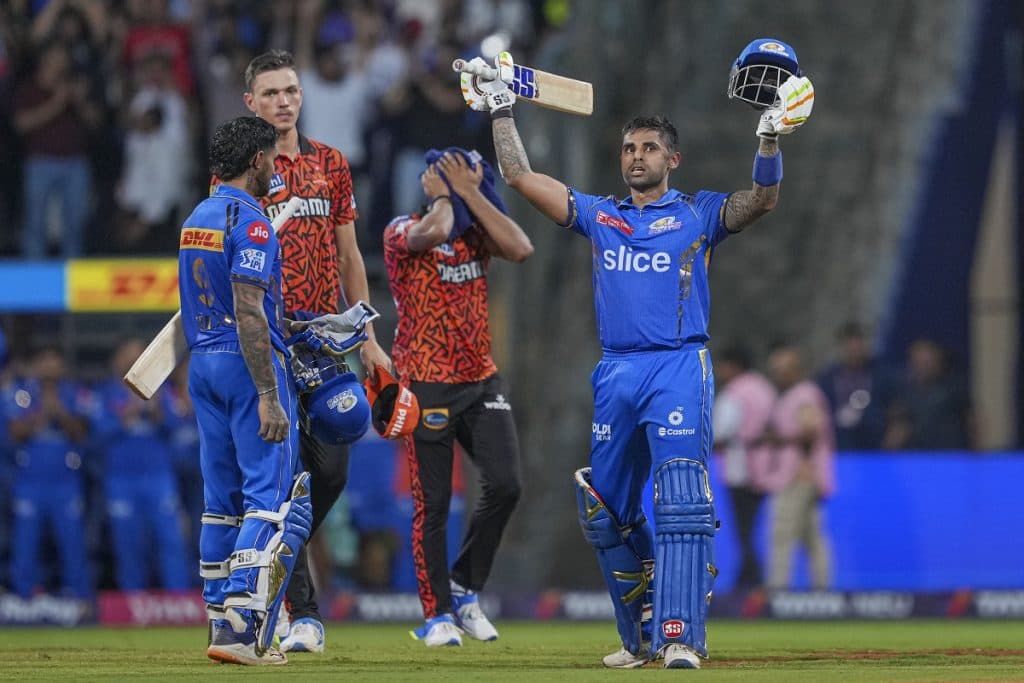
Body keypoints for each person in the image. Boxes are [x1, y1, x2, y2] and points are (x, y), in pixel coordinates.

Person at [460, 43, 814, 669]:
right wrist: (501, 110)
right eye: (629, 148)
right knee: (604, 512)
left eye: (649, 148)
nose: (636, 157)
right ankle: (640, 638)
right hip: (616, 370)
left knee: (680, 500)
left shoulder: (699, 214)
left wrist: (768, 140)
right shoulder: (601, 217)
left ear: (672, 159)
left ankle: (681, 635)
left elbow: (761, 200)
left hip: (677, 366)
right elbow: (520, 178)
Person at [223, 50, 391, 654]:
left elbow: (349, 255)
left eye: (291, 90)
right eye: (270, 93)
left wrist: (368, 337)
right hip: (269, 340)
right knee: (283, 473)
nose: (283, 102)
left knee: (333, 469)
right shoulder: (238, 173)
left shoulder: (331, 164)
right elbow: (225, 257)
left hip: (324, 340)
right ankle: (302, 613)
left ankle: (265, 559)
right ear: (251, 103)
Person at [383, 149, 532, 647]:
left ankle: (466, 588)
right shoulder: (402, 229)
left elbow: (521, 247)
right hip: (425, 382)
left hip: (480, 380)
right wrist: (445, 195)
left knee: (507, 485)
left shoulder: (475, 235)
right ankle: (437, 614)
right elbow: (434, 232)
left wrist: (469, 192)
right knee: (434, 504)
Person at [181, 115, 312, 666]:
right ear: (257, 160)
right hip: (244, 364)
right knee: (272, 498)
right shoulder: (253, 223)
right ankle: (242, 628)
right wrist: (268, 393)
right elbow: (249, 310)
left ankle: (218, 618)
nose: (276, 167)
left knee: (220, 504)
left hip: (203, 365)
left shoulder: (196, 217)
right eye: (273, 158)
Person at [94, 339, 189, 590]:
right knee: (128, 542)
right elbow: (98, 433)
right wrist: (127, 414)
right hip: (121, 478)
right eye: (128, 356)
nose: (134, 361)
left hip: (158, 477)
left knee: (170, 540)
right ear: (117, 361)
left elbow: (176, 426)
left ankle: (177, 599)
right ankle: (132, 599)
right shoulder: (106, 392)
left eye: (138, 356)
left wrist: (157, 411)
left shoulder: (161, 390)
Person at [5, 347, 94, 599]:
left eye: (55, 361)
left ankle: (79, 598)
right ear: (37, 365)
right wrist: (42, 415)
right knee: (25, 544)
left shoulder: (74, 393)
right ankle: (22, 599)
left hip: (65, 482)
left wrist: (61, 414)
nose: (49, 366)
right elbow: (14, 432)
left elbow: (81, 432)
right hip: (30, 482)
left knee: (72, 544)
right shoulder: (22, 393)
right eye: (45, 361)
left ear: (62, 366)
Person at [762, 343, 836, 591]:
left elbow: (810, 432)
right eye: (775, 370)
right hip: (803, 475)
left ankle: (777, 589)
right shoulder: (795, 394)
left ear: (795, 370)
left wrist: (778, 439)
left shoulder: (804, 394)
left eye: (781, 370)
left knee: (782, 533)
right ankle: (823, 590)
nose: (777, 375)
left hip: (797, 474)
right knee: (811, 535)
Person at [711, 344, 776, 590]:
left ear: (734, 365)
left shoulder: (734, 393)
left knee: (744, 529)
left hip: (740, 470)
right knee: (755, 528)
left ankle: (751, 580)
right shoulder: (766, 388)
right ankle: (749, 576)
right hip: (767, 468)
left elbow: (720, 432)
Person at [816, 322, 894, 450]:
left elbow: (896, 407)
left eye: (858, 346)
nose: (854, 351)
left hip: (875, 444)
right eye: (849, 346)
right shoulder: (826, 379)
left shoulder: (883, 376)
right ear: (841, 347)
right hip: (837, 444)